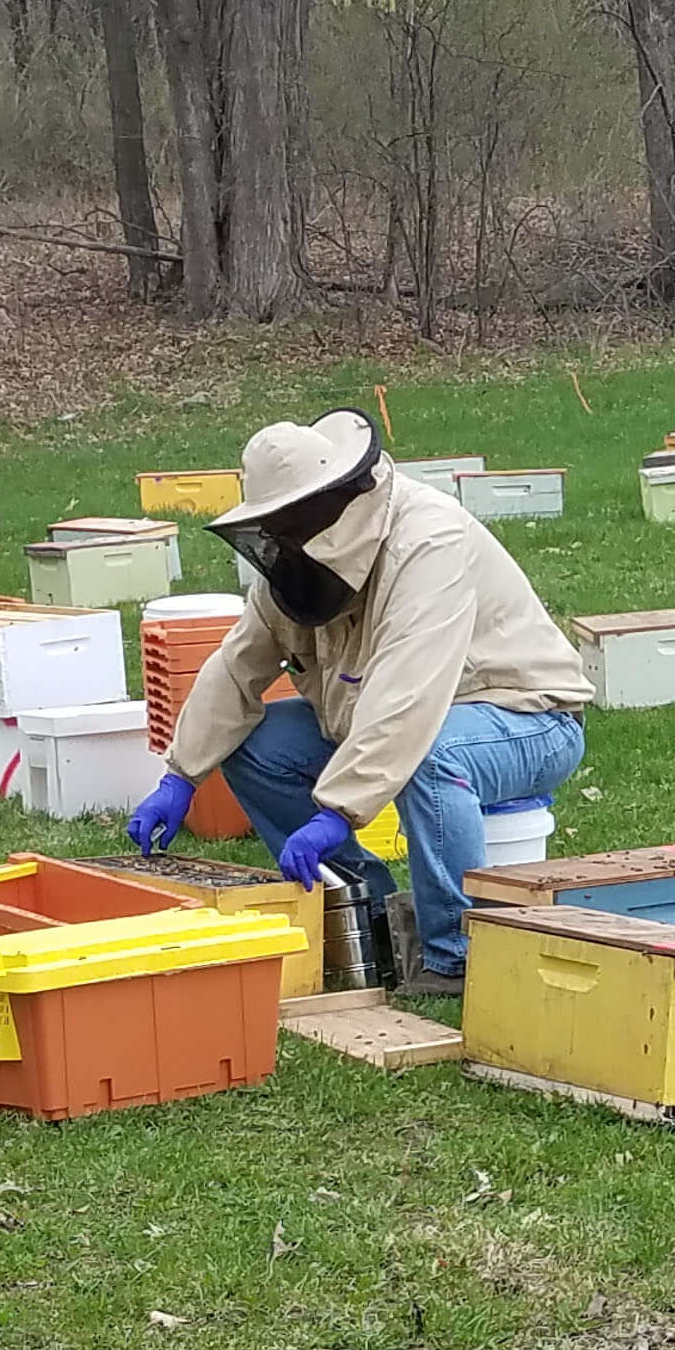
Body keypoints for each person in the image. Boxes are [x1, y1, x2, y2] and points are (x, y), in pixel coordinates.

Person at [125, 408, 592, 998]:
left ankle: (454, 954)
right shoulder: (293, 565)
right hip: (385, 719)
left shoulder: (429, 541)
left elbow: (408, 697)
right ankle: (364, 912)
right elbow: (236, 667)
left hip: (526, 717)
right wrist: (182, 776)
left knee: (431, 755)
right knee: (254, 746)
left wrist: (337, 810)